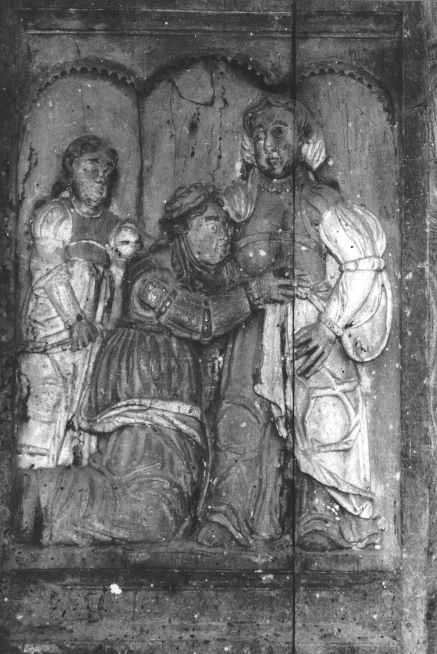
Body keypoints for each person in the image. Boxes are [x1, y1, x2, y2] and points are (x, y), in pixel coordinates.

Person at [34, 183, 297, 545]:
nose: (225, 235)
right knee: (153, 514)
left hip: (168, 408)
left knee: (167, 513)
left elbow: (229, 283)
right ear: (184, 230)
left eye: (226, 226)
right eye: (213, 225)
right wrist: (253, 294)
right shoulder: (151, 275)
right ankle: (39, 498)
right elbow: (200, 318)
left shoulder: (198, 268)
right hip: (143, 403)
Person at [197, 95, 392, 551]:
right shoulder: (237, 203)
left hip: (311, 330)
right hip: (251, 328)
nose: (269, 144)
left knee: (322, 418)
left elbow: (362, 263)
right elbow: (208, 268)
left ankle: (318, 517)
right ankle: (229, 513)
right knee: (241, 418)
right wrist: (247, 286)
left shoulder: (321, 201)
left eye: (279, 132)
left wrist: (328, 327)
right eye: (260, 134)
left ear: (301, 138)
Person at [17, 135, 141, 470]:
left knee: (83, 423)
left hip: (91, 343)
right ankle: (34, 477)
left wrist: (108, 326)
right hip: (55, 338)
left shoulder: (115, 227)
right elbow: (50, 272)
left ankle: (71, 486)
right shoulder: (56, 215)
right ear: (72, 169)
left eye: (106, 171)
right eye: (91, 168)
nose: (101, 177)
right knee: (47, 404)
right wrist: (75, 319)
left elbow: (115, 285)